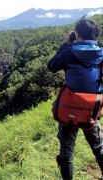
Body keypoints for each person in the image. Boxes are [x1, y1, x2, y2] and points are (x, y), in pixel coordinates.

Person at [47, 17, 103, 179]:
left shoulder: (69, 53)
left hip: (69, 109)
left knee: (66, 151)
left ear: (76, 34)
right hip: (91, 109)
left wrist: (65, 44)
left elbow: (52, 66)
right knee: (99, 147)